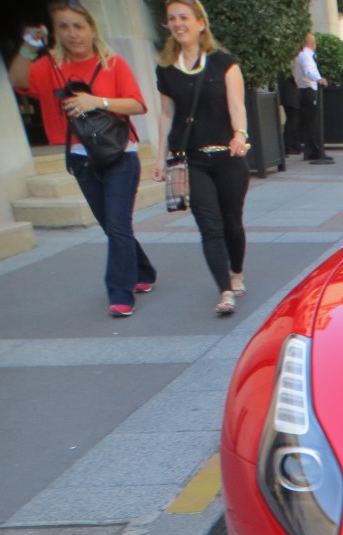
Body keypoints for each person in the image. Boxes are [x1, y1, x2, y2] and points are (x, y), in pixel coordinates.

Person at [8, 4, 156, 319]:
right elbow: (18, 79)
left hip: (120, 155)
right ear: (56, 32)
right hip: (81, 158)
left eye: (78, 25)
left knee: (117, 224)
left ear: (91, 28)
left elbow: (137, 104)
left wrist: (97, 101)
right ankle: (144, 271)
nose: (72, 33)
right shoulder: (51, 66)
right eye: (64, 27)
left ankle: (120, 293)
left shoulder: (112, 63)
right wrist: (28, 46)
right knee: (112, 225)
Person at [151, 0, 251, 317]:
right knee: (209, 226)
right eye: (172, 19)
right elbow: (167, 116)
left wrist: (240, 135)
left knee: (232, 223)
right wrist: (159, 157)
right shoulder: (166, 70)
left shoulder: (224, 63)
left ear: (200, 23)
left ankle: (236, 270)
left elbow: (237, 106)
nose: (178, 23)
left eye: (184, 17)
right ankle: (224, 291)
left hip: (227, 156)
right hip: (191, 159)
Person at [293, 32, 333, 164]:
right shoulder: (306, 55)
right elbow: (309, 70)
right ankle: (316, 151)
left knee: (309, 122)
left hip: (303, 90)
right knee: (313, 123)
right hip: (309, 90)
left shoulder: (300, 54)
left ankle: (311, 151)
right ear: (312, 43)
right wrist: (319, 79)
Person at [278, 72, 301, 153]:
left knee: (292, 119)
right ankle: (289, 145)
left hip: (287, 93)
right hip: (291, 93)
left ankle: (292, 145)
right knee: (292, 120)